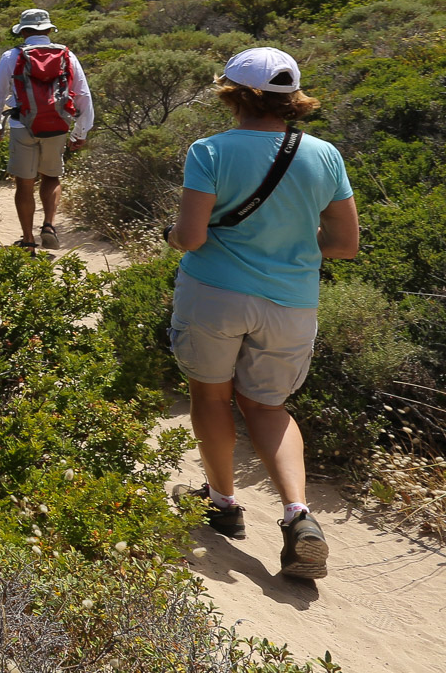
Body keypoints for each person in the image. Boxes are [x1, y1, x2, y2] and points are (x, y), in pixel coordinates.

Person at [165, 47, 357, 581]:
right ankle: (299, 515)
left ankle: (223, 505)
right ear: (290, 98)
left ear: (235, 94)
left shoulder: (210, 150)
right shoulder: (324, 154)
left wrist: (173, 235)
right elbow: (343, 243)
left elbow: (193, 236)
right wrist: (290, 243)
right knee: (268, 407)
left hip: (215, 293)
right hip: (291, 302)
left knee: (211, 395)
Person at [0, 9, 92, 251]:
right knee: (52, 176)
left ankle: (28, 241)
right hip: (57, 124)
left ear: (23, 31)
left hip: (23, 124)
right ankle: (49, 226)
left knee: (24, 183)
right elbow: (83, 94)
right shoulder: (68, 55)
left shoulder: (11, 56)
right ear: (49, 30)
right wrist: (81, 131)